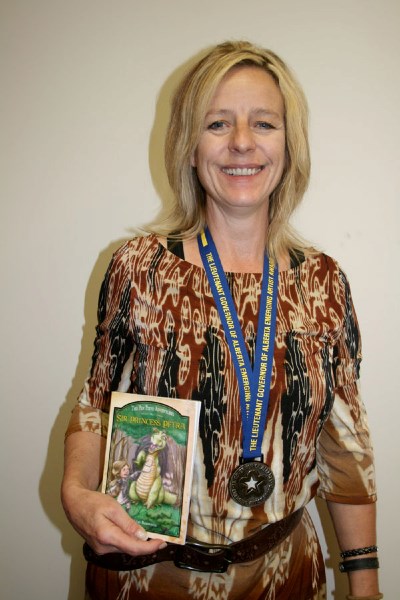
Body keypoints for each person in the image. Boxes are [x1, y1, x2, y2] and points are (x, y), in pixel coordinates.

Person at [61, 40, 382, 600]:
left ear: (289, 144)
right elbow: (94, 402)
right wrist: (77, 493)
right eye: (217, 124)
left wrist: (367, 586)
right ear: (189, 146)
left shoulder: (323, 283)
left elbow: (345, 451)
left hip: (287, 577)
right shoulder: (140, 267)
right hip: (147, 576)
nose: (241, 143)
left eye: (263, 123)